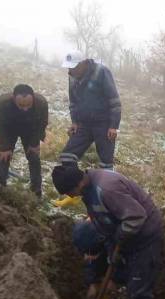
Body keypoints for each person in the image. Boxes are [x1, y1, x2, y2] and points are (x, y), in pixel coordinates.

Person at [53, 166, 162, 299]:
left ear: (78, 184)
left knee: (138, 289)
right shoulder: (87, 189)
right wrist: (96, 278)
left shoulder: (107, 189)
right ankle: (113, 284)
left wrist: (119, 237)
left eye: (69, 192)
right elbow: (102, 226)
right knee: (107, 256)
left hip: (144, 234)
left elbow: (136, 217)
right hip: (119, 230)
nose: (70, 196)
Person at [55, 50, 122, 206]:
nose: (70, 71)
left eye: (73, 67)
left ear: (84, 63)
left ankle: (107, 198)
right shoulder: (72, 77)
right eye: (68, 68)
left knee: (106, 163)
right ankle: (75, 193)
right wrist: (74, 122)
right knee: (67, 156)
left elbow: (114, 100)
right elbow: (73, 102)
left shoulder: (101, 72)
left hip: (104, 123)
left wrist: (113, 126)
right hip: (83, 124)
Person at [0, 84, 48, 198]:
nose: (25, 108)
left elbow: (41, 124)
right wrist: (5, 147)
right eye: (21, 105)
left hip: (30, 129)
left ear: (33, 98)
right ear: (14, 99)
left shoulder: (41, 103)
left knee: (34, 157)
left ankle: (36, 192)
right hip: (9, 129)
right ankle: (0, 187)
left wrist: (34, 144)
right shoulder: (4, 102)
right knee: (4, 156)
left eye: (28, 105)